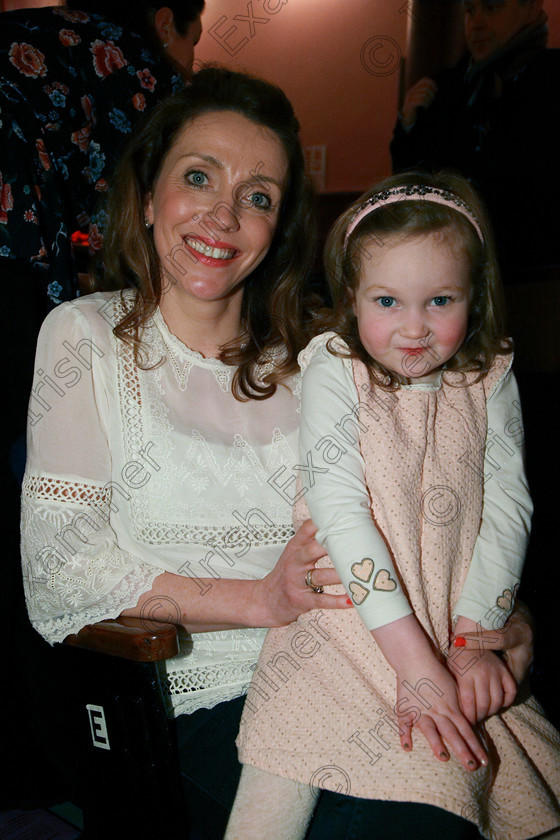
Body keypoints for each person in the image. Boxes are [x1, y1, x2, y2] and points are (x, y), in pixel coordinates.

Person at [231, 171, 560, 840]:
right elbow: (339, 510)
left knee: (513, 789)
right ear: (352, 298)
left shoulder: (488, 374)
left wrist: (473, 639)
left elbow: (508, 506)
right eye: (387, 301)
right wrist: (415, 665)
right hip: (345, 623)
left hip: (449, 617)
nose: (414, 328)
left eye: (440, 300)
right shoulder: (334, 365)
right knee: (280, 773)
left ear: (475, 294)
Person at [390, 0, 560, 282]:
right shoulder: (445, 88)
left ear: (530, 8)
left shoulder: (551, 80)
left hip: (536, 277)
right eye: (470, 11)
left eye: (492, 8)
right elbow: (412, 185)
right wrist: (407, 125)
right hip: (454, 272)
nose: (477, 22)